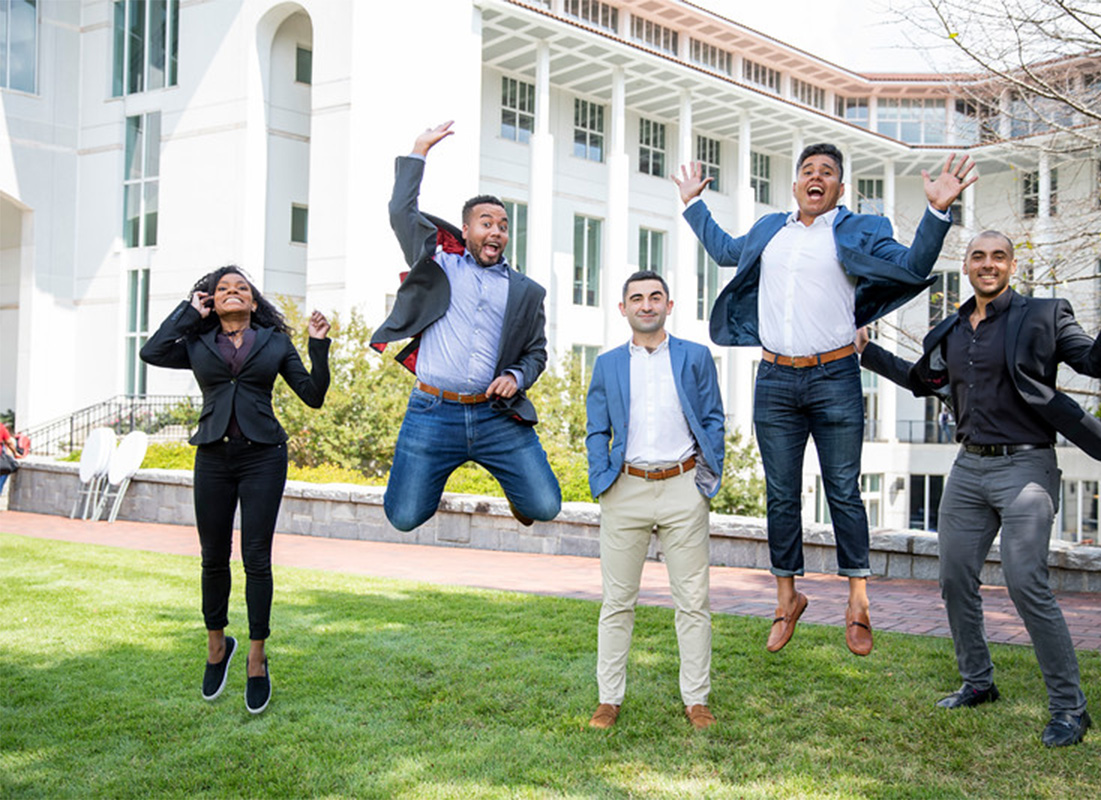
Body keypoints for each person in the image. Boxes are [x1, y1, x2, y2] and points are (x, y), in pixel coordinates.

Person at [675, 144, 976, 656]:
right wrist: (692, 206)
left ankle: (858, 603)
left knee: (843, 489)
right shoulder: (771, 229)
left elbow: (911, 264)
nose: (817, 178)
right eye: (808, 171)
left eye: (828, 173)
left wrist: (937, 211)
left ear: (839, 188)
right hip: (774, 378)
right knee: (782, 494)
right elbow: (727, 251)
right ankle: (786, 598)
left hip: (835, 375)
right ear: (795, 185)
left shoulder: (861, 228)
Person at [858, 231, 1101, 747]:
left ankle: (1070, 709)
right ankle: (978, 682)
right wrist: (867, 352)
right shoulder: (951, 328)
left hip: (1026, 467)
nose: (988, 265)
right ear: (966, 266)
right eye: (978, 257)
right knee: (953, 578)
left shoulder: (1045, 314)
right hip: (968, 468)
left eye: (999, 256)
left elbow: (1098, 364)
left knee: (1025, 581)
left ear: (1012, 265)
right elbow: (924, 381)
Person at [141, 266, 330, 714]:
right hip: (213, 456)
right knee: (212, 557)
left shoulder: (274, 342)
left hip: (263, 456)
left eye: (240, 288)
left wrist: (318, 346)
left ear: (252, 300)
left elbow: (313, 395)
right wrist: (189, 312)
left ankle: (257, 658)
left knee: (257, 558)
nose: (231, 292)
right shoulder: (196, 343)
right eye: (222, 288)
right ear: (211, 299)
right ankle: (216, 646)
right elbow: (151, 352)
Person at [371, 120, 560, 532]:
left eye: (504, 225)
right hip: (432, 411)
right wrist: (419, 149)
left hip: (495, 415)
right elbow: (401, 212)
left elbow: (537, 352)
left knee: (545, 506)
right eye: (487, 222)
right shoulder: (438, 265)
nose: (496, 230)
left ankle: (516, 490)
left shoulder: (526, 291)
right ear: (468, 229)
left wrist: (515, 375)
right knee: (403, 517)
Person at [585, 271, 725, 730]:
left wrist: (707, 478)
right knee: (617, 602)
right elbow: (596, 428)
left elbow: (713, 418)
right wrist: (601, 479)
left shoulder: (696, 357)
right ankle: (609, 700)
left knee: (692, 600)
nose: (647, 305)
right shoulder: (607, 364)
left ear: (669, 304)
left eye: (655, 297)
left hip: (684, 487)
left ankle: (697, 700)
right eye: (637, 298)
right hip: (625, 489)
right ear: (622, 308)